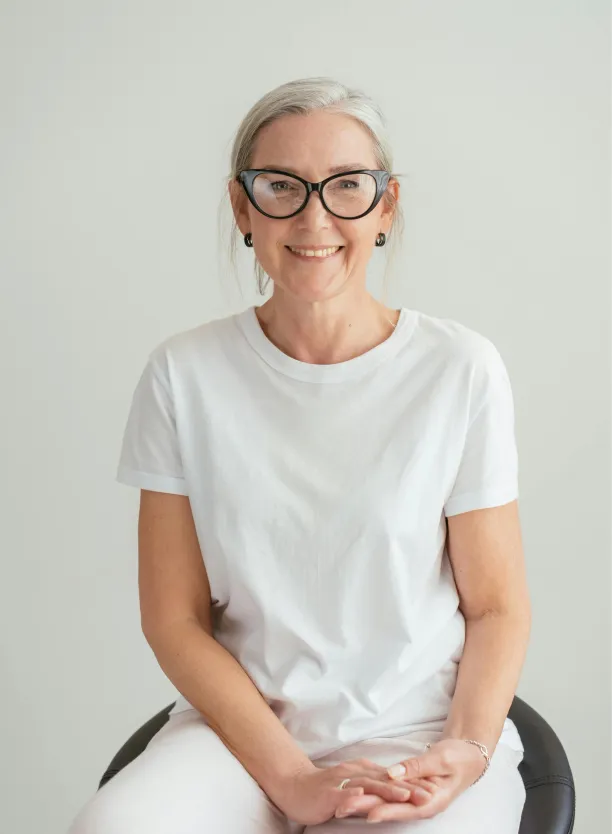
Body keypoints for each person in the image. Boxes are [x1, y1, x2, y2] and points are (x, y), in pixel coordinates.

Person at [68, 76, 531, 833]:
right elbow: (175, 619)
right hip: (241, 741)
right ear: (242, 207)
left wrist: (470, 749)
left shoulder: (460, 369)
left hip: (415, 733)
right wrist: (290, 778)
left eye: (346, 186)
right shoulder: (183, 375)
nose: (314, 217)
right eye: (281, 186)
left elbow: (498, 605)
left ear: (386, 205)